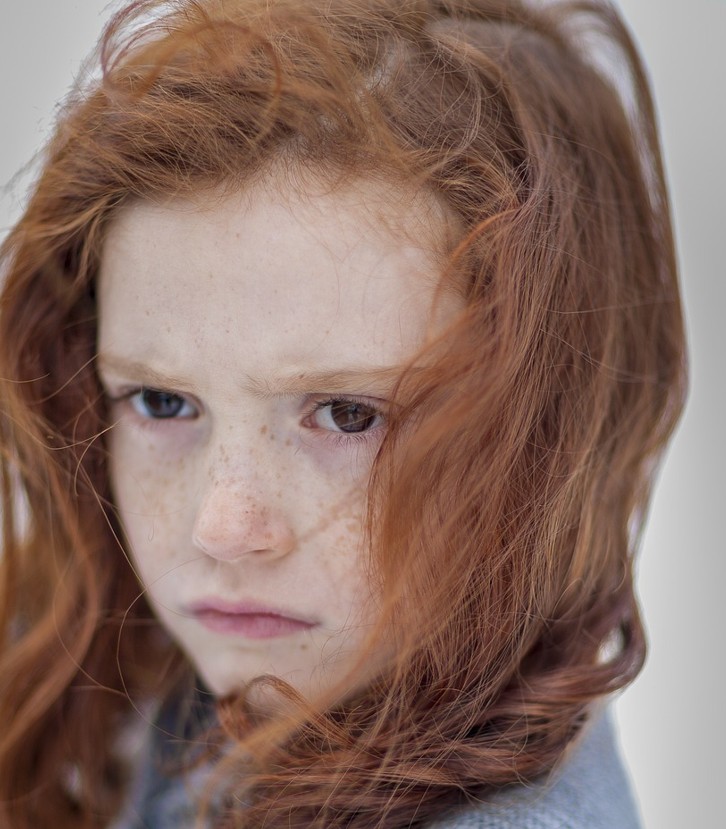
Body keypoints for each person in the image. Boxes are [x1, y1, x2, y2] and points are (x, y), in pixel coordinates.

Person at [0, 0, 686, 827]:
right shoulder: (199, 679)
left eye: (349, 416)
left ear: (552, 433)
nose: (223, 528)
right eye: (162, 401)